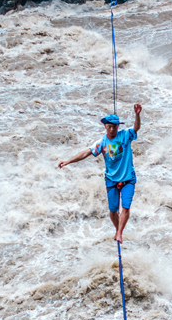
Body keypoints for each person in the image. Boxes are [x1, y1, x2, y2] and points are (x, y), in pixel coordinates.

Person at [58, 104, 143, 243]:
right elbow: (86, 153)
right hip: (111, 179)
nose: (111, 129)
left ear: (117, 127)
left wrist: (137, 114)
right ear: (105, 126)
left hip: (128, 178)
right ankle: (117, 229)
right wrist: (68, 161)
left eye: (114, 126)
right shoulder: (102, 142)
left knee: (126, 207)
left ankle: (119, 233)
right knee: (113, 209)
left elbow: (136, 128)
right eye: (108, 126)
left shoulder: (125, 135)